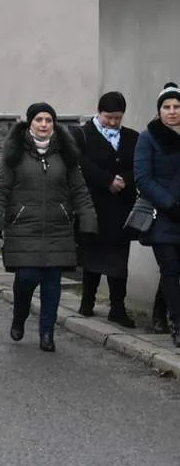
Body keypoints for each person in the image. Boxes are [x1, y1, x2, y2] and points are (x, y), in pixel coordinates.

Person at [0, 103, 96, 352]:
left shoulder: (66, 155)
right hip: (24, 226)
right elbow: (0, 189)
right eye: (39, 120)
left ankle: (47, 333)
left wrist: (88, 218)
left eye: (48, 120)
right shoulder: (15, 154)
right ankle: (19, 315)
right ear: (30, 123)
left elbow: (79, 191)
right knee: (26, 277)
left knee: (52, 283)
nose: (44, 124)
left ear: (54, 124)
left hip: (58, 228)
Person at [72, 91, 138, 328]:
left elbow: (139, 166)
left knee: (119, 259)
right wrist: (107, 180)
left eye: (117, 118)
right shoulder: (83, 135)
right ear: (99, 113)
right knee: (92, 254)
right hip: (93, 205)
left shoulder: (132, 137)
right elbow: (79, 162)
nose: (112, 122)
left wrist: (124, 180)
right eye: (108, 117)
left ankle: (117, 308)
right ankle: (87, 300)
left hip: (121, 207)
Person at [134, 84, 180, 348]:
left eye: (176, 106)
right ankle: (177, 323)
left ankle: (158, 312)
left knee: (175, 269)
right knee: (170, 268)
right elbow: (143, 178)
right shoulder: (148, 137)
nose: (172, 111)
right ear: (159, 110)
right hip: (162, 215)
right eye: (166, 107)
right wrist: (170, 204)